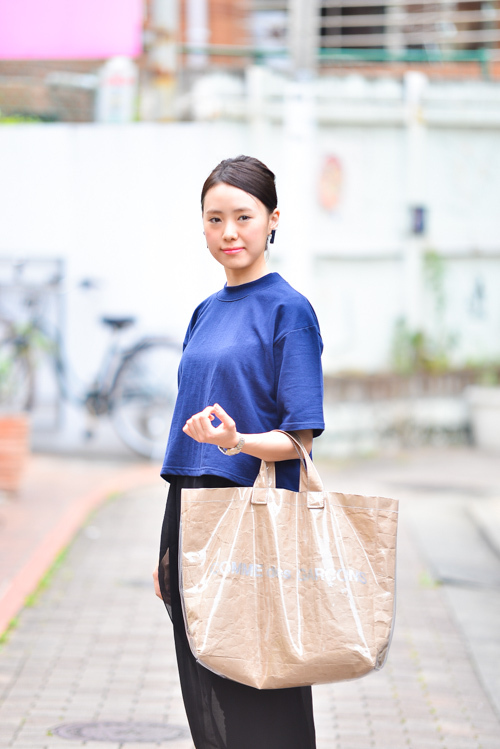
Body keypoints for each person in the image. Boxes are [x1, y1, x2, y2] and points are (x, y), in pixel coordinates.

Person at [153, 155, 325, 749]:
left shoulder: (289, 311)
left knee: (258, 690)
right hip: (192, 512)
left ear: (272, 220)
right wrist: (168, 543)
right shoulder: (204, 312)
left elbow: (297, 443)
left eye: (244, 217)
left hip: (254, 521)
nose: (229, 232)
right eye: (214, 219)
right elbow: (184, 448)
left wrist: (236, 441)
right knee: (202, 688)